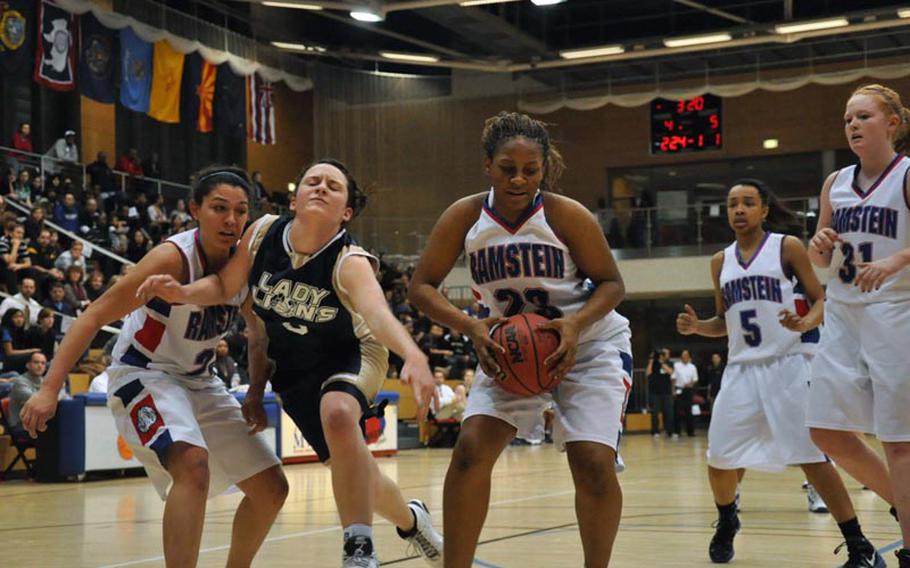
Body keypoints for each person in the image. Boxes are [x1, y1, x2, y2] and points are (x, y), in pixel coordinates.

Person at [136, 159, 444, 568]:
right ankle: (411, 520)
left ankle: (359, 547)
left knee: (337, 413)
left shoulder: (348, 260)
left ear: (346, 211)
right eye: (312, 181)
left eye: (333, 186)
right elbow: (228, 287)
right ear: (295, 199)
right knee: (358, 472)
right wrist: (183, 291)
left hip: (352, 354)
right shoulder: (262, 232)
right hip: (294, 370)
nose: (320, 187)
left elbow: (378, 315)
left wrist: (415, 356)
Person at [19, 165, 289, 568]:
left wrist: (253, 393)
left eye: (239, 210)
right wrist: (48, 389)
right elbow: (92, 315)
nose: (231, 219)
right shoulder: (173, 258)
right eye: (219, 208)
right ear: (195, 209)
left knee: (272, 488)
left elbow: (257, 332)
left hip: (199, 381)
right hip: (143, 373)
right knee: (193, 467)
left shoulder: (243, 267)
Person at [408, 111, 632, 568]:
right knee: (470, 450)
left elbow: (611, 284)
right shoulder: (466, 216)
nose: (519, 178)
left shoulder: (566, 215)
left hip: (586, 346)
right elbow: (421, 286)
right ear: (487, 165)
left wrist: (573, 324)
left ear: (544, 168)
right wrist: (469, 325)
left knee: (591, 461)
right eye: (508, 168)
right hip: (507, 350)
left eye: (530, 170)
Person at [677, 179, 883, 566]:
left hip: (787, 367)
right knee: (720, 458)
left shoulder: (785, 247)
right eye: (732, 203)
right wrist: (697, 328)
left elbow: (821, 298)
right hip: (740, 370)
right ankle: (727, 521)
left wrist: (806, 324)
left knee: (812, 458)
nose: (739, 209)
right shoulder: (719, 261)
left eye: (748, 203)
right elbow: (724, 321)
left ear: (764, 210)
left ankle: (858, 543)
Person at [805, 83, 910, 568]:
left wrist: (896, 262)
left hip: (896, 310)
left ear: (892, 123)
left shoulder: (907, 175)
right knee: (825, 430)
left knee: (898, 441)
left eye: (864, 116)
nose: (852, 125)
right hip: (844, 313)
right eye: (848, 118)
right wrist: (820, 245)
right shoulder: (836, 183)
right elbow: (819, 262)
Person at [7, 352, 66, 434]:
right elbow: (41, 402)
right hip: (20, 426)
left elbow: (66, 398)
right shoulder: (20, 382)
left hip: (38, 422)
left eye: (43, 363)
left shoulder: (44, 381)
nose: (40, 365)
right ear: (28, 365)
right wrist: (56, 391)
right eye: (36, 362)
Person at [647, 348, 675, 438]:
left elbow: (670, 372)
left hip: (667, 392)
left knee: (669, 412)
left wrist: (662, 362)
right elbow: (648, 373)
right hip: (655, 392)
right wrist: (652, 361)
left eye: (665, 354)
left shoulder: (669, 363)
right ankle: (655, 431)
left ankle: (669, 431)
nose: (663, 355)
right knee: (655, 413)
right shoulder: (653, 363)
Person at [672, 349, 698, 437]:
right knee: (677, 411)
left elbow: (695, 379)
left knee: (689, 411)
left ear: (689, 357)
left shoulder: (692, 367)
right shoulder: (677, 365)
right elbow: (673, 378)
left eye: (686, 355)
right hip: (679, 389)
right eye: (683, 356)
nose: (684, 357)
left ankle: (690, 431)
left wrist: (690, 384)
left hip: (688, 390)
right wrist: (673, 390)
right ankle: (677, 431)